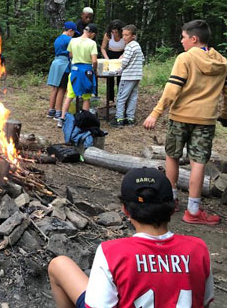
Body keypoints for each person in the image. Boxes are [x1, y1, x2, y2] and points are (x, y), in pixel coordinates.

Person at [48, 167, 214, 308]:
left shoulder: (112, 252)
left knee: (59, 264)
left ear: (125, 210)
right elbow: (204, 302)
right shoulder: (198, 249)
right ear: (172, 208)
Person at [143, 19, 227, 225]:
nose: (182, 41)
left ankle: (171, 202)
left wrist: (155, 113)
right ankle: (193, 210)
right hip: (205, 119)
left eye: (183, 37)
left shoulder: (185, 58)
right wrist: (224, 114)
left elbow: (173, 88)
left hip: (180, 116)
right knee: (198, 162)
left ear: (194, 38)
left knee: (172, 156)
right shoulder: (222, 62)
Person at [57, 23, 98, 128]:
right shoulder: (92, 43)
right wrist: (95, 69)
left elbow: (70, 55)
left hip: (74, 70)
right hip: (86, 71)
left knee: (69, 95)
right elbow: (94, 60)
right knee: (86, 97)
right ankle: (84, 120)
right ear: (92, 34)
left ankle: (61, 118)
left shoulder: (73, 40)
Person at [46, 21, 78, 120]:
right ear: (70, 30)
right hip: (63, 65)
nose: (73, 35)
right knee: (62, 89)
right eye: (73, 33)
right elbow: (71, 54)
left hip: (55, 63)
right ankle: (58, 112)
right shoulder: (70, 40)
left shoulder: (58, 39)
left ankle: (51, 110)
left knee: (55, 88)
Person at [113, 24, 144, 126]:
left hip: (128, 76)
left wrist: (118, 69)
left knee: (121, 97)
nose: (124, 37)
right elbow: (142, 59)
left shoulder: (129, 46)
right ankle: (130, 118)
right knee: (133, 97)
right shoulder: (137, 46)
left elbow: (124, 62)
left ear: (133, 36)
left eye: (127, 35)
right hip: (137, 75)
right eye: (123, 35)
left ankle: (119, 118)